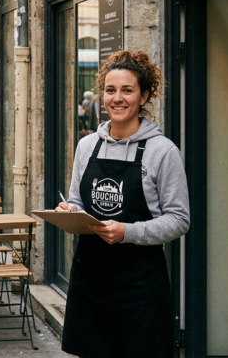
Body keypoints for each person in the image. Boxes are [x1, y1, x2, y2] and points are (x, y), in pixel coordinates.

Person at [57, 50, 190, 358]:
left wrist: (127, 232)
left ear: (143, 96)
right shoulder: (87, 146)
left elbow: (179, 219)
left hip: (140, 289)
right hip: (89, 281)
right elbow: (76, 199)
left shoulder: (163, 151)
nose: (117, 98)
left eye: (127, 90)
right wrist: (70, 212)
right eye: (110, 90)